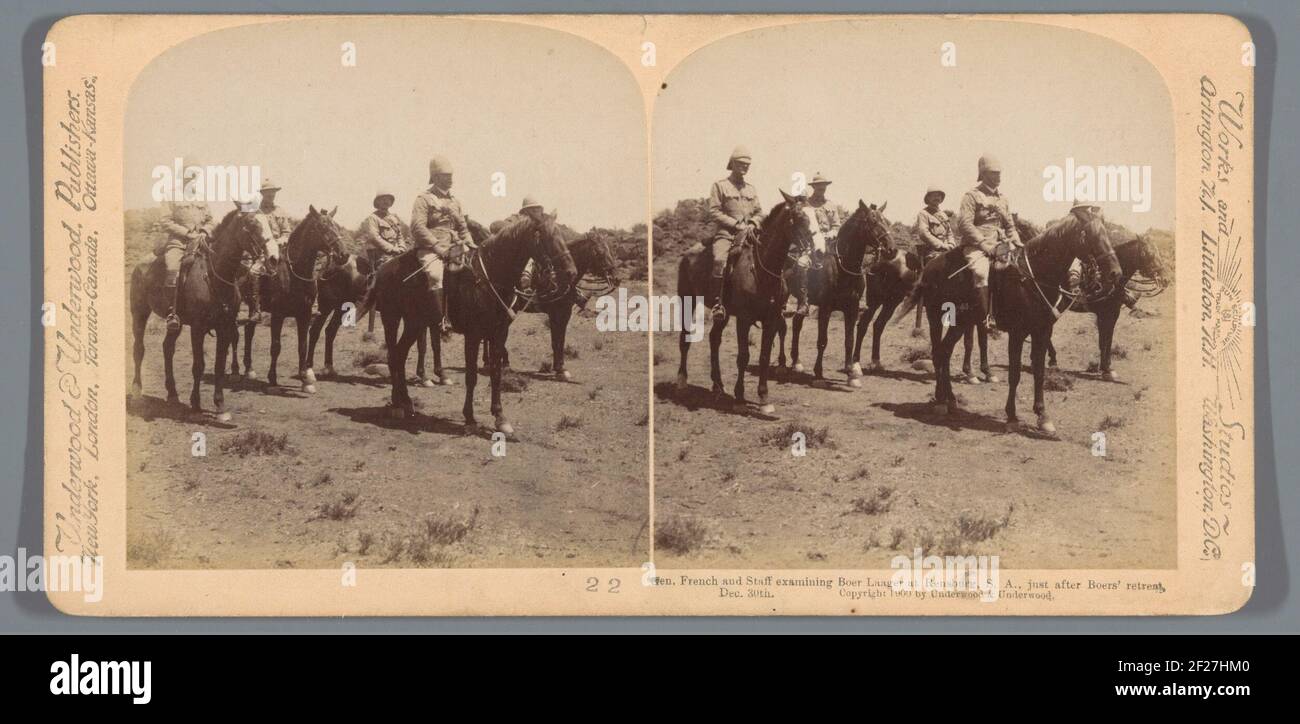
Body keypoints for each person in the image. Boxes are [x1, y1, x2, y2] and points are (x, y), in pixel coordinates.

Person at [410, 155, 477, 328]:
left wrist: (470, 243)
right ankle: (441, 321)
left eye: (451, 175)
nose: (450, 179)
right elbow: (417, 227)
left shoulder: (455, 201)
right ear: (436, 177)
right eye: (446, 175)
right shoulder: (423, 199)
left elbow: (462, 227)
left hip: (455, 246)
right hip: (431, 248)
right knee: (435, 275)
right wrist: (437, 247)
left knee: (476, 271)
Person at [957, 155, 1021, 328]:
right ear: (983, 174)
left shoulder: (1003, 198)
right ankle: (986, 318)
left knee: (1021, 270)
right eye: (994, 173)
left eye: (999, 173)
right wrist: (983, 244)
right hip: (976, 245)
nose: (998, 177)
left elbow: (1010, 226)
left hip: (1001, 244)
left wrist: (1017, 242)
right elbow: (964, 224)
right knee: (981, 272)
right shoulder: (971, 196)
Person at [155, 159, 215, 331]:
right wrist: (187, 233)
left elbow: (211, 220)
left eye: (195, 174)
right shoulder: (170, 195)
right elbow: (165, 221)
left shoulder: (201, 197)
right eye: (189, 174)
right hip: (178, 243)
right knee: (173, 269)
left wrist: (204, 231)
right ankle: (172, 312)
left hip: (201, 242)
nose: (192, 178)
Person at [706, 146, 765, 320]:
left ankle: (778, 301)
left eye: (747, 164)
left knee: (772, 256)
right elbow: (714, 212)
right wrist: (736, 225)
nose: (745, 167)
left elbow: (759, 212)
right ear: (732, 164)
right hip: (727, 234)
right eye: (741, 163)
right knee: (719, 260)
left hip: (751, 234)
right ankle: (718, 303)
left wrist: (754, 223)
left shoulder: (751, 189)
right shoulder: (720, 186)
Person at [356, 190, 409, 331]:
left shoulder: (394, 218)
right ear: (377, 202)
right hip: (380, 255)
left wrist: (402, 247)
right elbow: (374, 237)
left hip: (396, 252)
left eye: (388, 200)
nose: (386, 202)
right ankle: (365, 304)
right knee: (384, 274)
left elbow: (400, 236)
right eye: (383, 199)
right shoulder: (372, 218)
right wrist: (392, 249)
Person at [793, 172, 841, 316]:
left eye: (824, 186)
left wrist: (830, 234)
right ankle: (803, 300)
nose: (822, 188)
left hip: (829, 243)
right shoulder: (806, 204)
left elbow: (837, 225)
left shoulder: (831, 205)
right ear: (814, 187)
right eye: (819, 186)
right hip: (809, 242)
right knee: (802, 264)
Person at [913, 187, 953, 329]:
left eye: (939, 196)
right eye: (934, 196)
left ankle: (950, 315)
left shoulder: (943, 215)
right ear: (928, 198)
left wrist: (951, 245)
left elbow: (950, 233)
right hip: (932, 251)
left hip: (947, 249)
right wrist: (941, 246)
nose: (937, 198)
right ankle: (932, 303)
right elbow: (924, 233)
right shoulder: (923, 214)